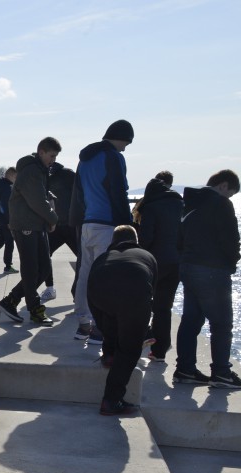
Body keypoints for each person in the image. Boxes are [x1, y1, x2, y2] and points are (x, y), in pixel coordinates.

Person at [173, 169, 241, 388]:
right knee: (221, 324)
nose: (229, 198)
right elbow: (231, 239)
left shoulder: (189, 204)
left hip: (188, 267)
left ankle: (185, 370)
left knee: (191, 321)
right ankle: (221, 373)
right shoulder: (221, 204)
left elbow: (179, 239)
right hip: (212, 270)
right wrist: (232, 263)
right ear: (223, 186)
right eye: (230, 193)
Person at [70, 119, 135, 345]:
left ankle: (83, 324)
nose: (125, 148)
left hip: (87, 224)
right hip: (107, 225)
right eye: (126, 143)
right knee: (105, 279)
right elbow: (119, 192)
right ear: (120, 137)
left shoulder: (85, 159)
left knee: (85, 275)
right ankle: (99, 330)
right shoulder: (114, 157)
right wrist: (127, 226)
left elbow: (78, 192)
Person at [87, 225, 157, 415]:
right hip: (134, 291)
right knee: (129, 349)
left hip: (97, 292)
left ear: (112, 242)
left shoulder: (103, 257)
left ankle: (109, 354)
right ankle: (111, 400)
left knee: (109, 315)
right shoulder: (147, 256)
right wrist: (143, 331)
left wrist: (104, 330)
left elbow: (91, 290)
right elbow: (151, 295)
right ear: (135, 240)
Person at [0, 137, 62, 326]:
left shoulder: (38, 170)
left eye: (55, 156)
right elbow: (36, 201)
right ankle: (34, 310)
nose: (53, 160)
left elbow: (39, 196)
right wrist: (53, 218)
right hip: (26, 225)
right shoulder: (32, 171)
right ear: (41, 152)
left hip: (34, 225)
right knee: (32, 269)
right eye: (51, 156)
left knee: (43, 269)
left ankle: (11, 300)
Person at [135, 171, 183, 362]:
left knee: (141, 302)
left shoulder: (151, 207)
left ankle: (146, 335)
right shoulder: (180, 204)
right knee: (164, 308)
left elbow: (146, 239)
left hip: (155, 263)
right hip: (175, 263)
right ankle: (160, 351)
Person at [39, 162, 79, 303]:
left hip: (57, 224)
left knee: (44, 255)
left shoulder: (46, 176)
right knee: (82, 258)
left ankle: (50, 289)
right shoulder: (70, 174)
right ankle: (77, 292)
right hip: (70, 223)